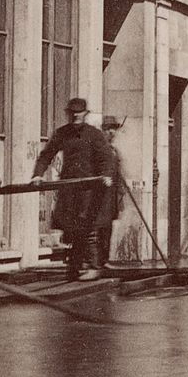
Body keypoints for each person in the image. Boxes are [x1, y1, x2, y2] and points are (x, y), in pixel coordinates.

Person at [32, 97, 117, 279]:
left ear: (85, 114)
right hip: (70, 188)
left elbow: (106, 158)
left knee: (88, 226)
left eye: (79, 113)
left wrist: (106, 175)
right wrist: (38, 174)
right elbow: (47, 155)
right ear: (68, 114)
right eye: (72, 113)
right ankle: (75, 266)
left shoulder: (94, 135)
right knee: (71, 227)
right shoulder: (62, 133)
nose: (75, 116)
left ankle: (94, 267)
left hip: (90, 188)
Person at [95, 115, 128, 268]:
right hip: (99, 196)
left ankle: (104, 260)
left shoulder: (114, 150)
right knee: (98, 228)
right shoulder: (97, 148)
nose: (111, 132)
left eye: (113, 129)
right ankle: (96, 261)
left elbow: (118, 172)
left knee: (107, 228)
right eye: (108, 129)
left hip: (111, 196)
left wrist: (121, 188)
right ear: (102, 130)